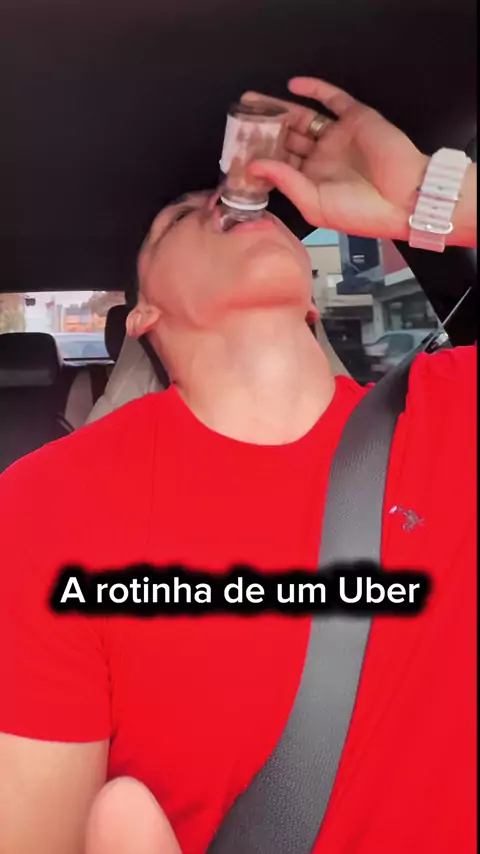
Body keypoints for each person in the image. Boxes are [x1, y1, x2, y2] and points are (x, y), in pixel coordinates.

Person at [0, 77, 476, 854]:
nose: (223, 206)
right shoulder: (46, 504)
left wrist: (431, 197)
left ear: (310, 295)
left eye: (247, 207)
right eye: (179, 219)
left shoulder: (457, 411)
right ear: (144, 315)